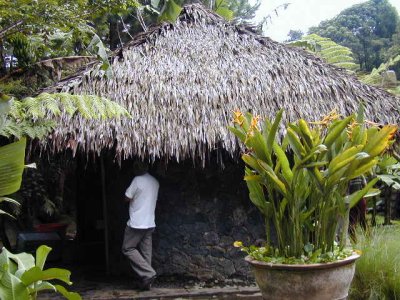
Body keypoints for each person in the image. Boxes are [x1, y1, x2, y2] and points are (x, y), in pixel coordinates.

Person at [122, 162, 159, 290]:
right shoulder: (155, 181)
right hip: (150, 222)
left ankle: (148, 274)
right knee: (146, 253)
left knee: (128, 248)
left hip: (137, 223)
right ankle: (147, 282)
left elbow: (127, 197)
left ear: (137, 168)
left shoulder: (137, 180)